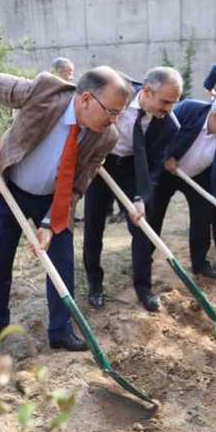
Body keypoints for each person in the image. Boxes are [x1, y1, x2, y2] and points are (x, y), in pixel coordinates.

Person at [0, 66, 132, 365]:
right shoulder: (45, 90)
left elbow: (79, 182)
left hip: (54, 201)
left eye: (119, 113)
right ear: (85, 99)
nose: (114, 120)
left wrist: (48, 223)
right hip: (10, 190)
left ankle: (60, 331)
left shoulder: (106, 137)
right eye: (111, 111)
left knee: (62, 265)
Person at [84, 67, 181, 312]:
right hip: (100, 164)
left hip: (132, 168)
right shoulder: (118, 94)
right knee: (94, 226)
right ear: (147, 92)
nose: (168, 109)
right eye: (165, 102)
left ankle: (143, 287)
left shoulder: (169, 125)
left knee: (141, 227)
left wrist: (141, 196)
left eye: (173, 103)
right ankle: (95, 284)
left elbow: (156, 164)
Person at [147, 95, 216, 279]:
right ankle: (144, 259)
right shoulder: (189, 110)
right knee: (154, 214)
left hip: (199, 176)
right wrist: (167, 156)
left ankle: (200, 264)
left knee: (202, 218)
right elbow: (160, 132)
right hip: (168, 172)